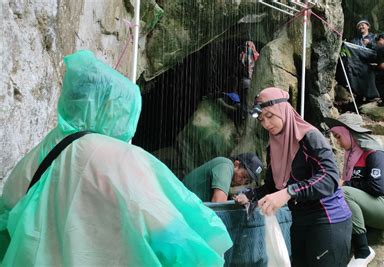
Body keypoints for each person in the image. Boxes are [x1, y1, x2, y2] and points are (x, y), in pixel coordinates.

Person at [0, 50, 232, 266]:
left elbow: (6, 223)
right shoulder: (119, 157)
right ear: (114, 109)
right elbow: (171, 233)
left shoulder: (39, 154)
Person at [234, 87, 353, 267]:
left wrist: (290, 192)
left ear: (283, 110)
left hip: (327, 220)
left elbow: (330, 178)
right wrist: (251, 195)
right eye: (261, 119)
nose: (266, 123)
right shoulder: (273, 148)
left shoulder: (310, 137)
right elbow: (274, 187)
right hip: (299, 222)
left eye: (270, 116)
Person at [324, 113, 384, 267]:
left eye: (338, 136)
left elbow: (377, 188)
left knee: (343, 192)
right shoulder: (352, 153)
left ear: (349, 132)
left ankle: (363, 251)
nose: (337, 141)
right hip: (371, 205)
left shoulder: (374, 153)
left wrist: (346, 184)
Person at [182, 153, 263, 202]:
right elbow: (219, 204)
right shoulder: (225, 166)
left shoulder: (225, 166)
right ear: (236, 164)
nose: (242, 182)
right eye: (243, 176)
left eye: (247, 181)